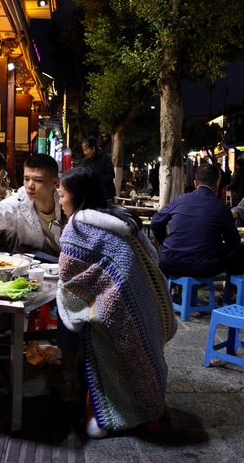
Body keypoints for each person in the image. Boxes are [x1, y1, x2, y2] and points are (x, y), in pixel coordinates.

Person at [56, 167, 176, 438]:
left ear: (77, 196)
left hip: (116, 311)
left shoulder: (78, 227)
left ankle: (108, 411)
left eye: (62, 195)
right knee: (143, 355)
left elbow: (69, 275)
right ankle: (150, 401)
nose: (60, 201)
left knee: (82, 330)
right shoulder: (122, 217)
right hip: (148, 305)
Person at [151, 164, 244, 277]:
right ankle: (230, 292)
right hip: (203, 267)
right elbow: (234, 241)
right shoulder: (221, 207)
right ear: (217, 183)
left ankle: (174, 288)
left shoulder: (179, 200)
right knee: (239, 251)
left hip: (170, 263)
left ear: (195, 183)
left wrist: (164, 241)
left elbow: (156, 222)